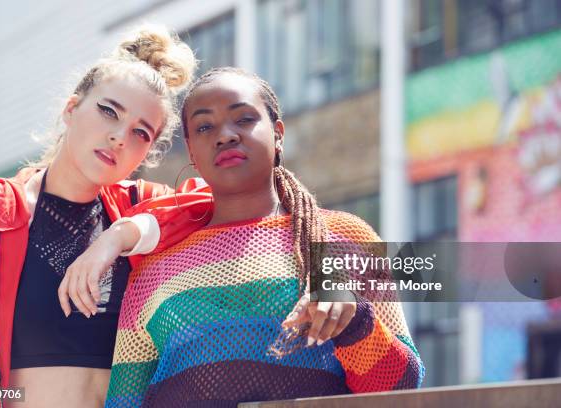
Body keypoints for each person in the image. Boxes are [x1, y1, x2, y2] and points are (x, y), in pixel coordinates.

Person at [99, 67, 425, 407]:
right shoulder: (152, 271)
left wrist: (355, 323)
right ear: (192, 151)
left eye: (243, 119)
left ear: (278, 133)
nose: (225, 135)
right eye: (205, 127)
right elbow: (123, 401)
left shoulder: (345, 238)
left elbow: (404, 388)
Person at [0, 25, 200, 408]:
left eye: (141, 133)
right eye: (108, 111)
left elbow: (228, 203)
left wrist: (115, 238)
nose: (119, 136)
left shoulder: (141, 208)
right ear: (71, 109)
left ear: (147, 154)